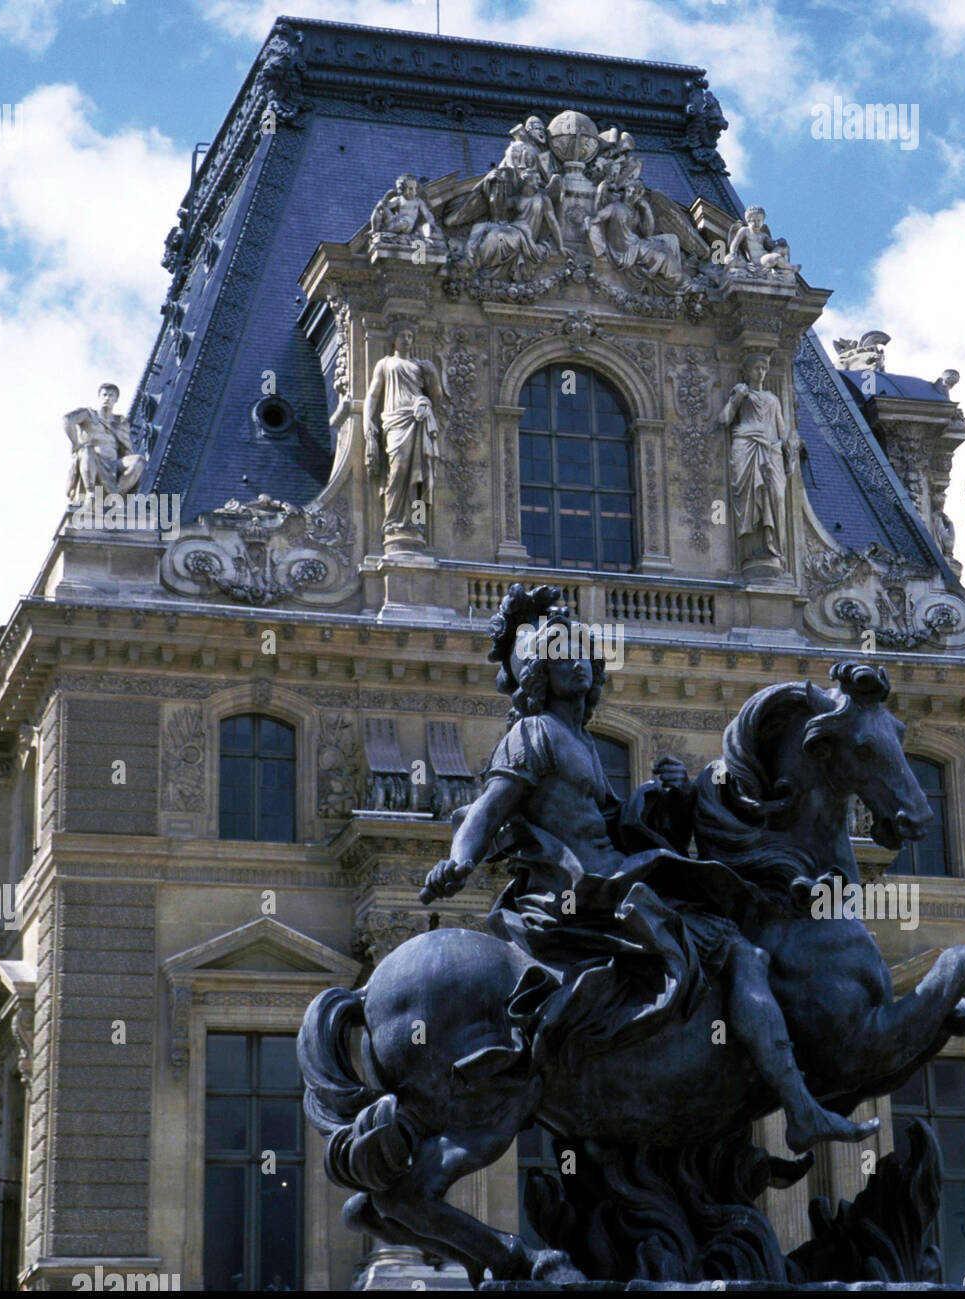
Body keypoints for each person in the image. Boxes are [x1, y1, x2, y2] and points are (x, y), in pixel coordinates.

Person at [420, 585, 878, 1154]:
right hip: (588, 888)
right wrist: (458, 862)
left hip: (613, 875)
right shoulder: (531, 736)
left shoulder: (582, 742)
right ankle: (800, 1107)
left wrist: (666, 796)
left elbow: (612, 820)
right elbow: (488, 810)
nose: (580, 666)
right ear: (540, 670)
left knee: (721, 910)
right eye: (564, 657)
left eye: (584, 655)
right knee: (737, 949)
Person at [363, 325, 444, 537]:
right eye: (402, 335)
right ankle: (393, 520)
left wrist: (428, 391)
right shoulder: (386, 364)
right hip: (395, 421)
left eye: (410, 336)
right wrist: (368, 424)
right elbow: (372, 396)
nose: (406, 339)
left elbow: (437, 395)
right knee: (397, 469)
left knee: (418, 474)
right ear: (394, 339)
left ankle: (416, 522)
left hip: (416, 420)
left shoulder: (421, 366)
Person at [719, 354, 790, 566]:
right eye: (757, 368)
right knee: (747, 499)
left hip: (771, 450)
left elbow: (782, 431)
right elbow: (723, 419)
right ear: (747, 371)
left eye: (764, 368)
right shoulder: (742, 393)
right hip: (746, 446)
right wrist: (736, 398)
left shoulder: (773, 399)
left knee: (777, 496)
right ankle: (753, 550)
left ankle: (773, 548)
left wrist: (791, 446)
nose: (761, 372)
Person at [63, 383, 146, 502]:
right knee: (88, 450)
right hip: (92, 458)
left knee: (138, 461)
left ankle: (117, 494)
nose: (107, 398)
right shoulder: (88, 414)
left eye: (111, 396)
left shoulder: (120, 423)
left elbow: (126, 448)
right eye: (105, 395)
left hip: (114, 463)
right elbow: (67, 420)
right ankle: (90, 491)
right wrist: (75, 443)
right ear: (99, 397)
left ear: (116, 400)